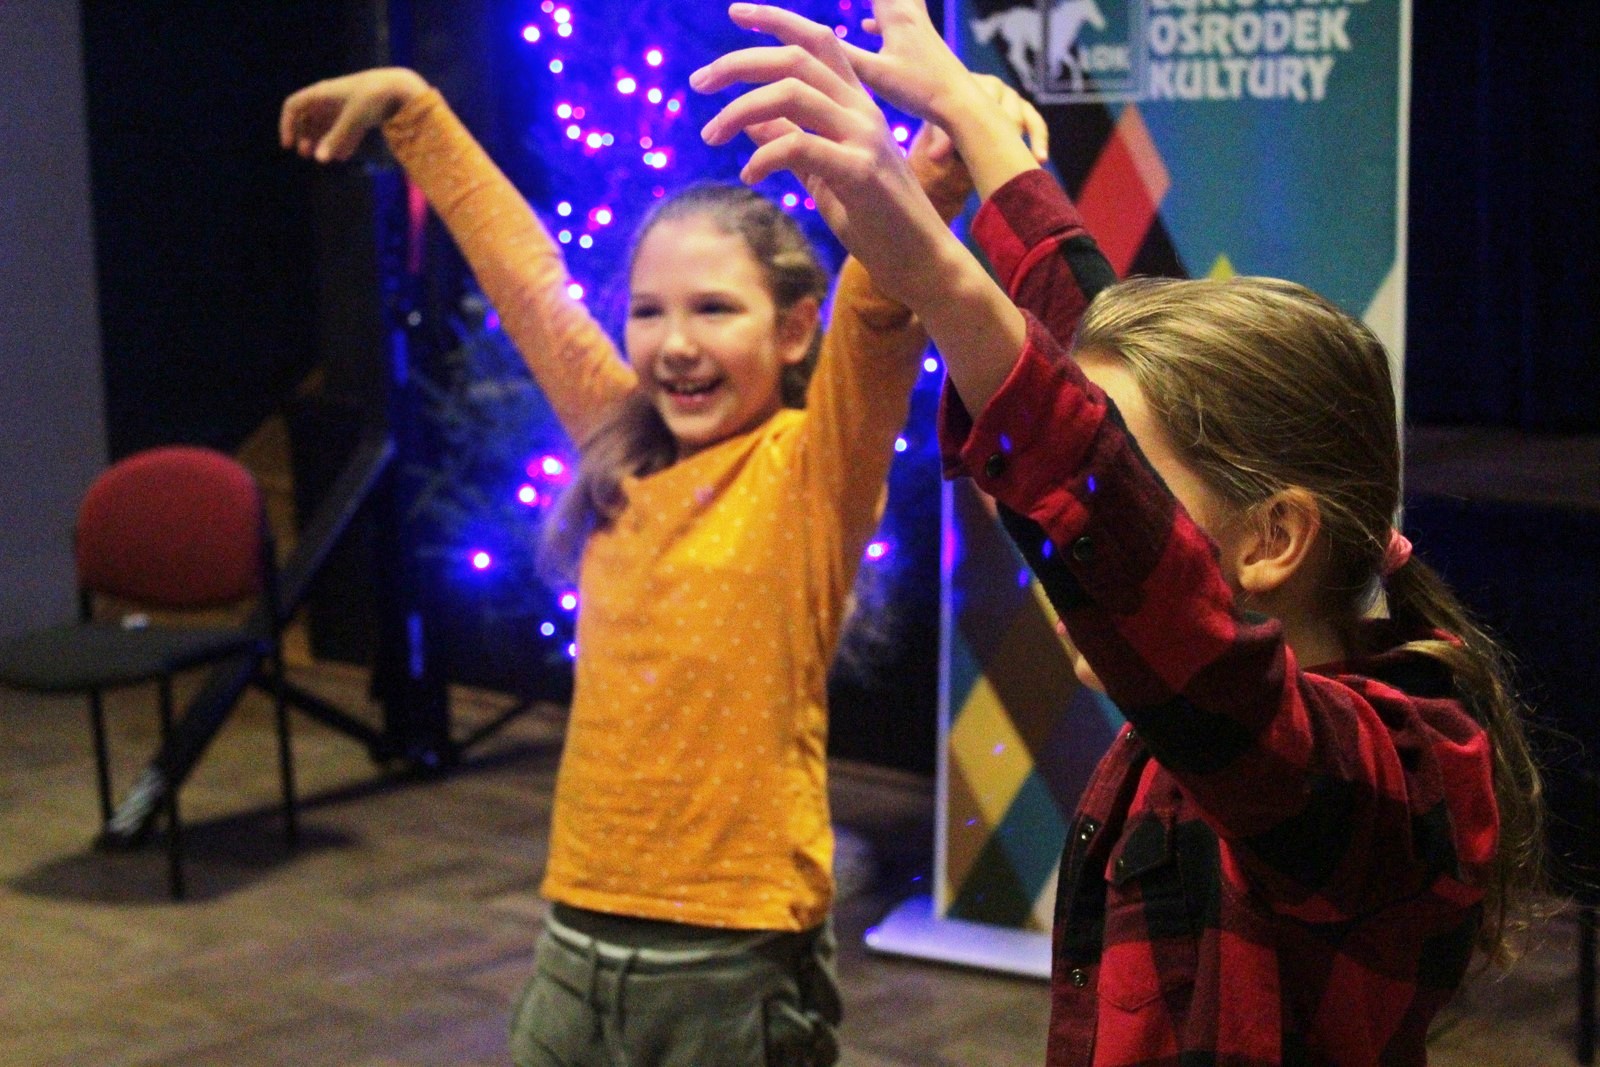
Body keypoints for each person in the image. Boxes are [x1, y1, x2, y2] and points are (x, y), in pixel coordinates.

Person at [692, 3, 1545, 1064]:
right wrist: (968, 112)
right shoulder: (1218, 729)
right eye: (1112, 470)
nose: (1090, 514)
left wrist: (938, 278)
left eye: (1126, 481)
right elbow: (1085, 342)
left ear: (1274, 538)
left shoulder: (1374, 776)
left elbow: (1127, 535)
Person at [280, 63, 1046, 1066]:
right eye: (649, 311)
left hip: (732, 971)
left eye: (714, 309)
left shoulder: (810, 470)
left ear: (793, 327)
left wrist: (938, 170)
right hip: (573, 950)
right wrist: (413, 109)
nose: (674, 343)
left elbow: (878, 309)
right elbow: (528, 283)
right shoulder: (624, 449)